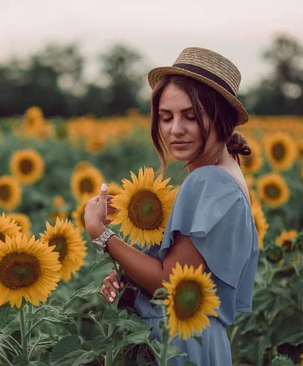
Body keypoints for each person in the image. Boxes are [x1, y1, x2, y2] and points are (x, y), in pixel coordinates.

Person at [84, 47, 259, 366]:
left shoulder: (207, 181)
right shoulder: (227, 173)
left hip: (178, 345)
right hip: (197, 339)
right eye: (167, 117)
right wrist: (131, 286)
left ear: (220, 118)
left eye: (191, 116)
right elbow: (193, 277)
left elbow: (169, 283)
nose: (175, 129)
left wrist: (102, 234)